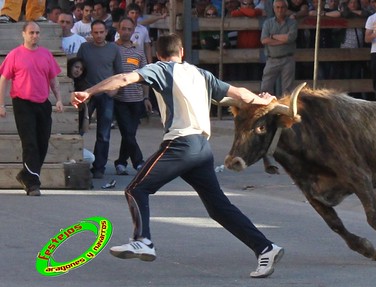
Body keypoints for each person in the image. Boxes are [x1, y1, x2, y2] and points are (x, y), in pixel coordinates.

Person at [71, 33, 284, 279]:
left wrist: (89, 92)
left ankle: (143, 240)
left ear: (158, 55)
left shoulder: (160, 69)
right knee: (218, 208)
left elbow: (123, 78)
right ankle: (265, 248)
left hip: (181, 144)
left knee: (136, 189)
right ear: (182, 52)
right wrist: (262, 100)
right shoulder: (201, 74)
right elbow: (240, 94)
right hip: (202, 150)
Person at [0, 22, 63, 196]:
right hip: (22, 103)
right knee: (30, 143)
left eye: (37, 33)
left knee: (42, 143)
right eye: (31, 32)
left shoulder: (46, 55)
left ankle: (25, 175)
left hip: (42, 103)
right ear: (24, 34)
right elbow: (3, 80)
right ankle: (32, 184)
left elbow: (53, 80)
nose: (34, 36)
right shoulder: (15, 54)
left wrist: (58, 99)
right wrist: (1, 104)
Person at [77, 20, 123, 179]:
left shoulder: (113, 48)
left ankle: (99, 167)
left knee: (103, 134)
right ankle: (75, 160)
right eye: (95, 32)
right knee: (80, 130)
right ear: (91, 32)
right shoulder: (84, 48)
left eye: (101, 32)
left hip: (106, 95)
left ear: (106, 32)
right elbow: (78, 69)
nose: (98, 35)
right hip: (88, 95)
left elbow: (120, 72)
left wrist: (115, 90)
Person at [113, 17, 151, 175]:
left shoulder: (138, 51)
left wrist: (146, 97)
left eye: (129, 29)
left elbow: (145, 76)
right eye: (123, 29)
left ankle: (121, 162)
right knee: (126, 132)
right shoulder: (113, 49)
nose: (126, 32)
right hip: (119, 99)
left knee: (130, 133)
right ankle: (139, 162)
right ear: (118, 30)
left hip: (136, 99)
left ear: (134, 31)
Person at [260, 0, 298, 97]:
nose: (280, 10)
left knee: (288, 90)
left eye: (282, 7)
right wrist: (283, 40)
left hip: (287, 58)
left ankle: (285, 111)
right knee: (265, 88)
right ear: (274, 9)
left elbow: (290, 38)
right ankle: (266, 110)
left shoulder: (292, 23)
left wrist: (272, 36)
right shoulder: (268, 23)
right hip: (272, 59)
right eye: (277, 7)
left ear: (286, 9)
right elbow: (264, 40)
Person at [67, 57, 95, 164]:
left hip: (74, 136)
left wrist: (86, 108)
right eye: (76, 67)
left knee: (90, 158)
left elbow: (85, 129)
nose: (78, 71)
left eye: (81, 69)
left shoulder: (83, 87)